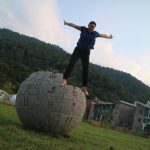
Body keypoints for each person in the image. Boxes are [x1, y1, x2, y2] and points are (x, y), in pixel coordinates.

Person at [60, 20, 113, 96]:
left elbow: (102, 35)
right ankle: (64, 80)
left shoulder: (95, 33)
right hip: (78, 50)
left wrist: (109, 37)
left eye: (93, 27)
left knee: (86, 69)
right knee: (71, 63)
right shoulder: (83, 29)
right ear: (88, 25)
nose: (92, 28)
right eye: (91, 26)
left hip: (86, 53)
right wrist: (67, 23)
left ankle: (84, 87)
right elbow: (74, 25)